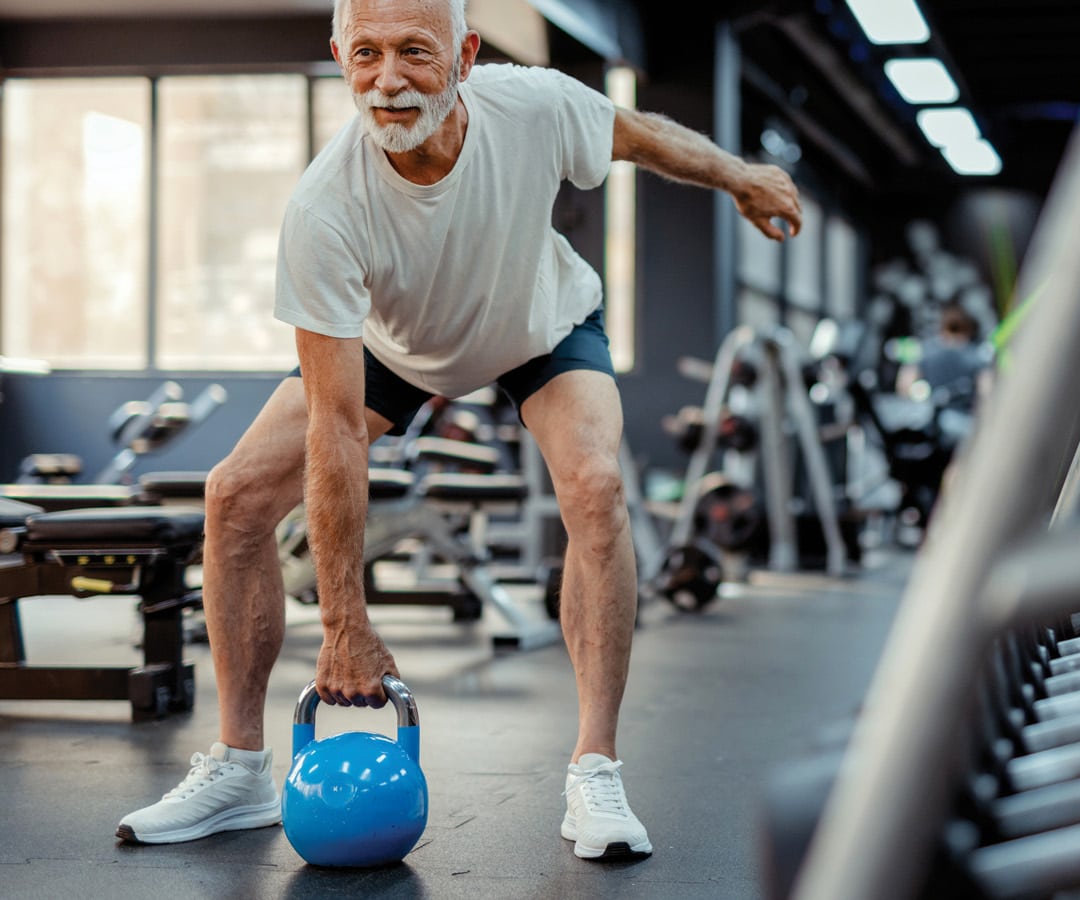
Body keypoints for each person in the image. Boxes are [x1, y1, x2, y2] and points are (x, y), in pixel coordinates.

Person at [116, 0, 801, 862]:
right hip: (398, 348)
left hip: (540, 324)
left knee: (597, 488)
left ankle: (595, 769)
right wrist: (344, 622)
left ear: (467, 54)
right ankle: (242, 768)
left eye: (415, 51)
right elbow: (336, 424)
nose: (388, 79)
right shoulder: (325, 207)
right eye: (365, 53)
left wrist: (739, 175)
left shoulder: (535, 105)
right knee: (234, 497)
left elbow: (640, 136)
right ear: (338, 58)